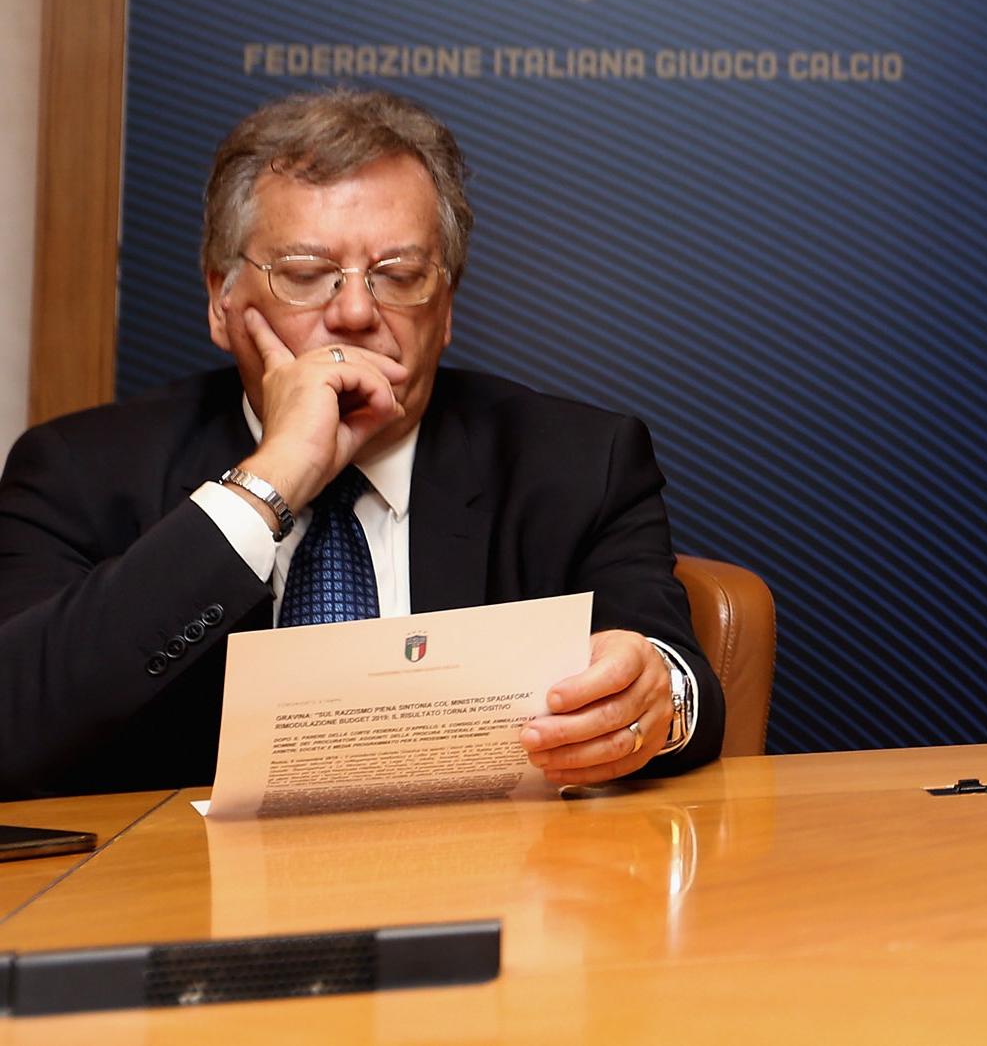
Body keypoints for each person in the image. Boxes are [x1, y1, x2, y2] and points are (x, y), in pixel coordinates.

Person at [0, 90, 725, 798]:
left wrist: (654, 699)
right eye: (306, 275)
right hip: (180, 873)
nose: (355, 312)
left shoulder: (576, 462)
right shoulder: (79, 473)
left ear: (446, 308)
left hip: (493, 870)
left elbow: (678, 679)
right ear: (222, 300)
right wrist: (275, 477)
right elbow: (12, 726)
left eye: (400, 276)